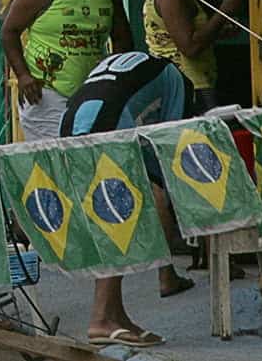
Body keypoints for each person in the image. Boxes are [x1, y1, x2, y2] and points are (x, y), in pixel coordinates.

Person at [61, 52, 197, 346]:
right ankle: (101, 319)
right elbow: (168, 145)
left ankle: (116, 314)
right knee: (121, 215)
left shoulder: (139, 66)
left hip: (70, 118)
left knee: (112, 215)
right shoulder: (178, 83)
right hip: (106, 123)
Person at [1, 0, 133, 141]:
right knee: (58, 160)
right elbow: (9, 32)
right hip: (46, 95)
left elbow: (122, 38)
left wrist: (115, 79)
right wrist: (23, 75)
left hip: (93, 92)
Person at [143, 0, 242, 114]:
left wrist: (218, 32)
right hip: (189, 88)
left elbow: (181, 37)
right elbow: (190, 47)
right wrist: (223, 13)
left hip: (189, 84)